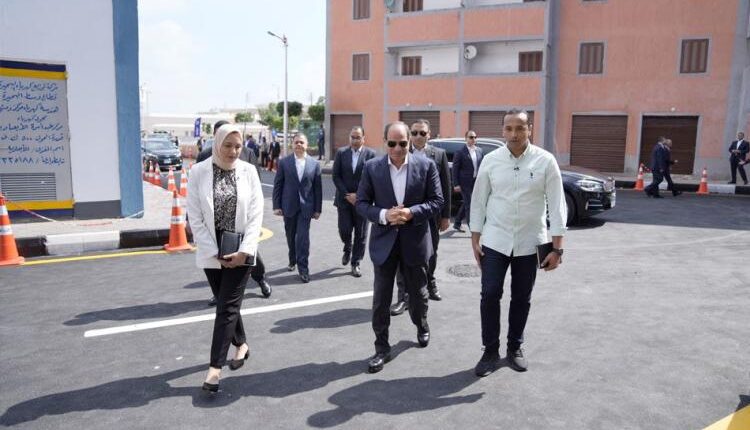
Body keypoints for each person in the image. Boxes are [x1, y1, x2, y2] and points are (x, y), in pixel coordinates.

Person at [470, 110, 566, 377]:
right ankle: (490, 350)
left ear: (529, 129)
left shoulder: (545, 161)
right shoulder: (491, 160)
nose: (514, 134)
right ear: (502, 130)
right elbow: (478, 201)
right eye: (509, 128)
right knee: (490, 294)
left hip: (530, 242)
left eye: (520, 128)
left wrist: (557, 248)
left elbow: (557, 205)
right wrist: (475, 238)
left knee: (522, 297)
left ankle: (514, 348)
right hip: (495, 240)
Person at [356, 121, 444, 373]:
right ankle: (381, 347)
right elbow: (362, 203)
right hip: (384, 243)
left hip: (415, 242)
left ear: (409, 142)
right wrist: (384, 215)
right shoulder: (372, 168)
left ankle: (421, 324)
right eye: (392, 143)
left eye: (403, 143)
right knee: (381, 299)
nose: (397, 148)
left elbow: (437, 200)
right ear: (385, 142)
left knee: (418, 295)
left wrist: (411, 212)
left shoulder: (426, 166)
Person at [186, 125, 264, 392]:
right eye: (227, 145)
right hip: (212, 251)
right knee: (225, 302)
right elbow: (195, 217)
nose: (233, 151)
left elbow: (256, 215)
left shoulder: (249, 171)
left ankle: (214, 369)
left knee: (226, 307)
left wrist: (246, 250)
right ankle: (241, 344)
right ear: (217, 144)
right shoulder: (198, 172)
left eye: (238, 146)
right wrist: (213, 252)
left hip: (241, 249)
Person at [197, 121, 272, 304]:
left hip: (241, 223)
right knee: (218, 267)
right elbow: (197, 195)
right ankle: (219, 293)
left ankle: (260, 279)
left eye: (236, 145)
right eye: (223, 139)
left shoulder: (248, 154)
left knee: (251, 253)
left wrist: (252, 217)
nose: (232, 150)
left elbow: (256, 190)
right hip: (215, 224)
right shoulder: (204, 158)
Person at [390, 118, 451, 316]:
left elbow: (446, 187)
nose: (418, 136)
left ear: (429, 135)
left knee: (430, 252)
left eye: (422, 133)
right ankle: (403, 298)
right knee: (402, 256)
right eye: (414, 133)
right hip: (405, 215)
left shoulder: (438, 155)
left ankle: (430, 282)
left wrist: (445, 216)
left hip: (431, 215)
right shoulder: (400, 151)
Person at [272, 133, 323, 283]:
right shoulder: (284, 162)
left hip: (306, 208)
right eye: (296, 142)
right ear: (292, 145)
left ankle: (303, 269)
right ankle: (292, 258)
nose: (299, 144)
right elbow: (278, 185)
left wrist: (318, 209)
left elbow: (318, 189)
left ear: (306, 145)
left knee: (302, 238)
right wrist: (276, 206)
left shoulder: (314, 164)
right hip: (288, 206)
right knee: (290, 235)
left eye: (301, 142)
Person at [332, 126, 376, 277]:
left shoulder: (371, 154)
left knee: (361, 233)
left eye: (358, 137)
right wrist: (347, 195)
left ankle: (355, 262)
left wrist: (358, 195)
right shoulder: (341, 153)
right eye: (352, 137)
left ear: (363, 138)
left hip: (362, 201)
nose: (355, 140)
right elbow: (336, 176)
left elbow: (372, 178)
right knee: (344, 230)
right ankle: (347, 247)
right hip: (344, 200)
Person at [452, 130, 484, 232]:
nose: (473, 139)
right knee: (469, 204)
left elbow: (482, 166)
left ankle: (457, 223)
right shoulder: (460, 152)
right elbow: (455, 169)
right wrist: (456, 184)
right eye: (471, 137)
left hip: (475, 181)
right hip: (464, 183)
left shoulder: (479, 150)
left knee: (466, 203)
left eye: (475, 137)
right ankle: (473, 228)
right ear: (466, 139)